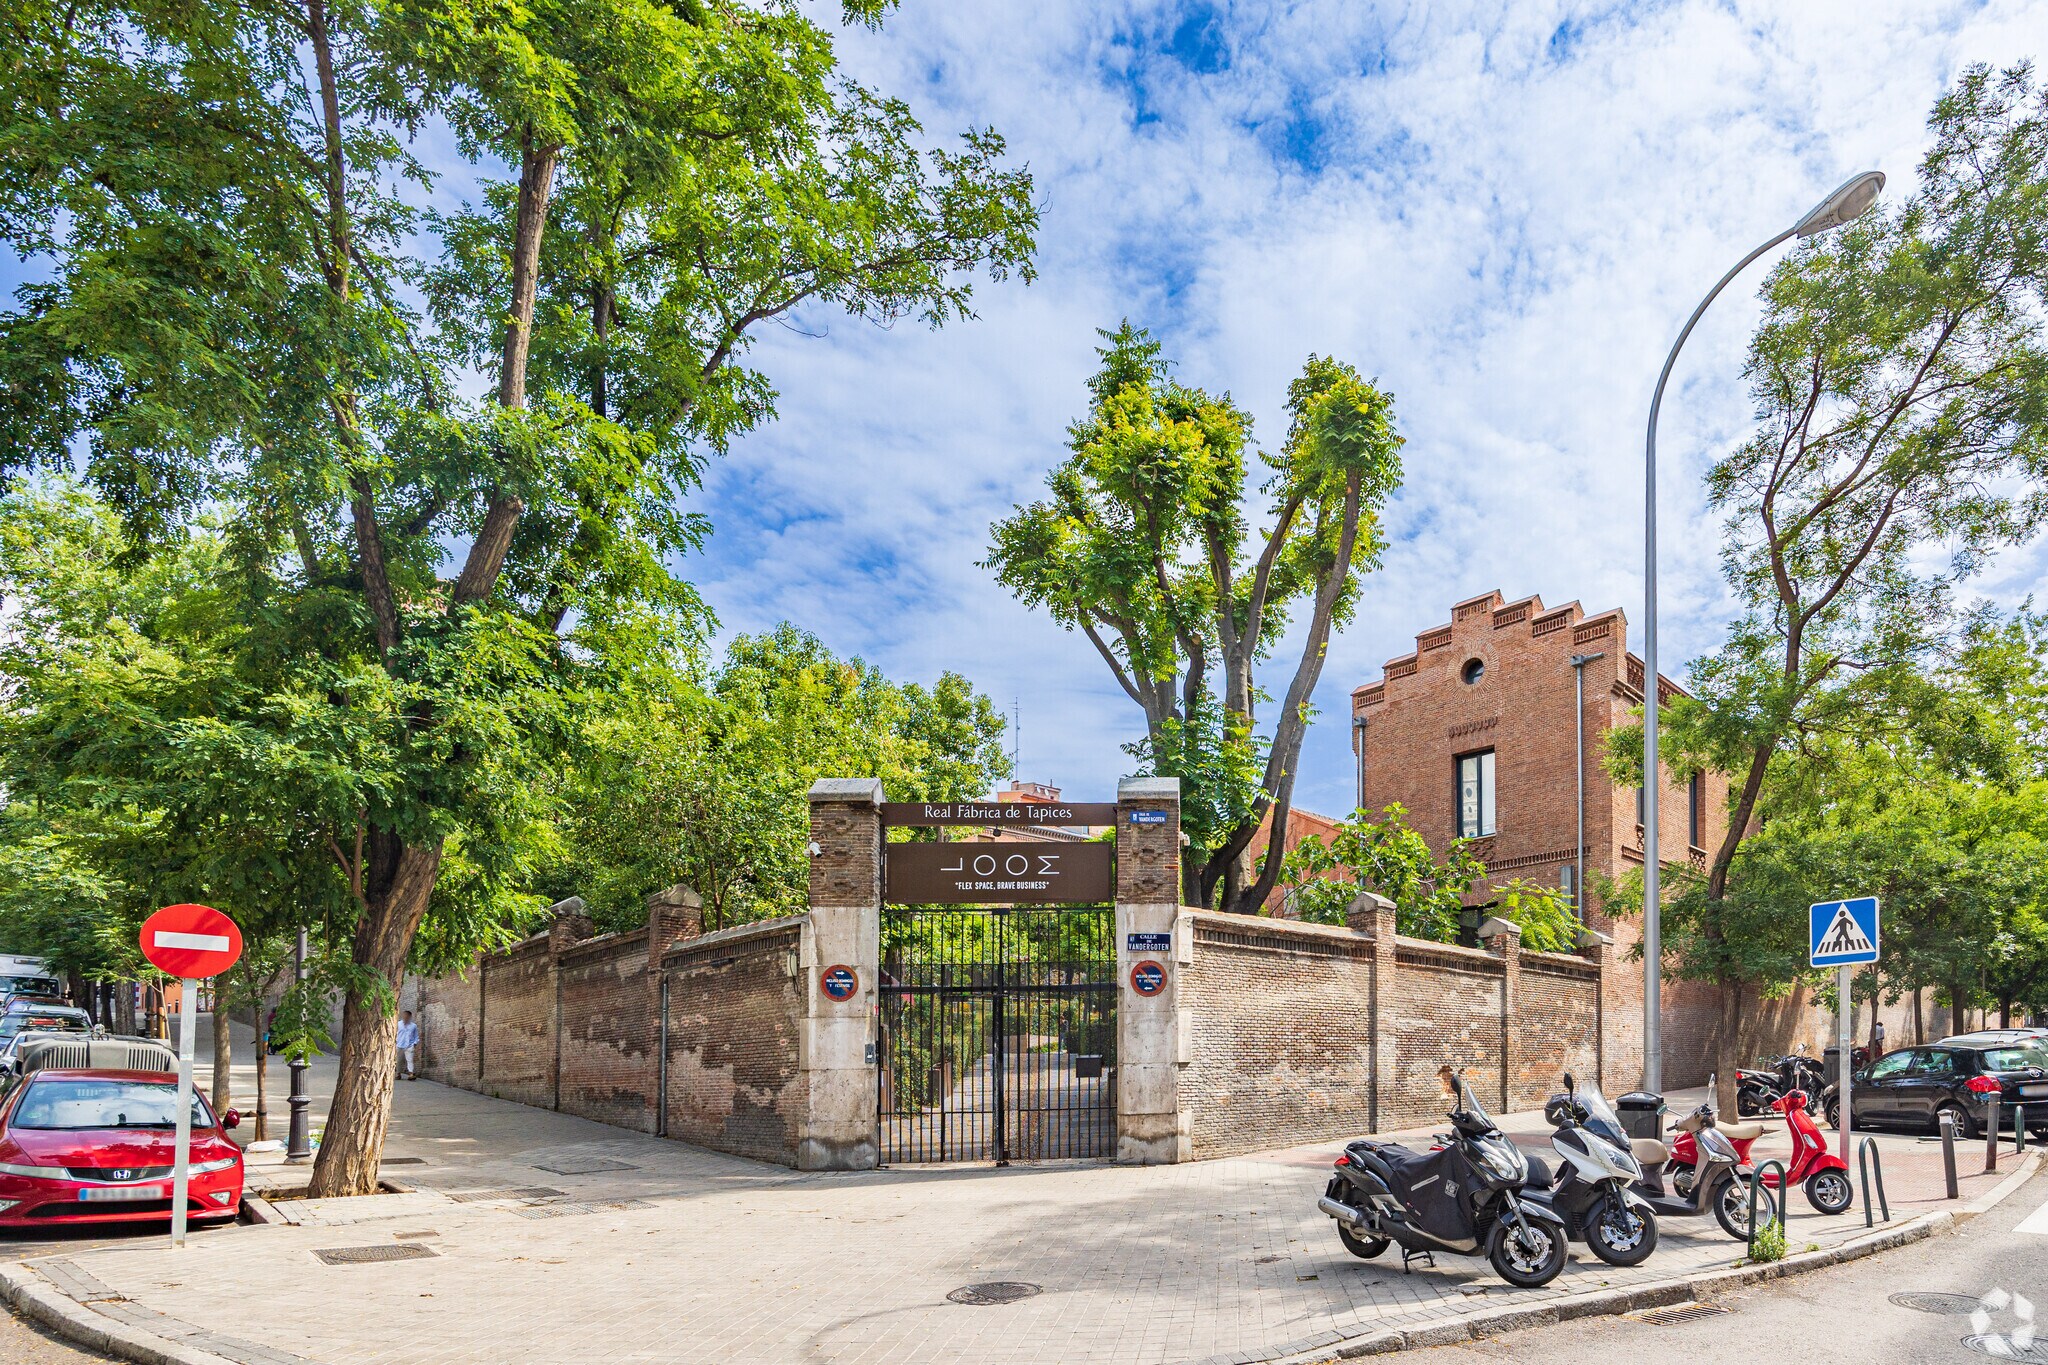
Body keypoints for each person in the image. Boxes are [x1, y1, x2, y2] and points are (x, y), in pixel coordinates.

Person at [395, 1010, 420, 1081]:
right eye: (404, 1015)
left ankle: (411, 1073)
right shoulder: (398, 1024)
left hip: (409, 1045)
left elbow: (416, 1036)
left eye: (407, 1016)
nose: (405, 1017)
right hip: (399, 1045)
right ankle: (398, 1073)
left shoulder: (413, 1026)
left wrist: (415, 1043)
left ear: (410, 1017)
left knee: (410, 1060)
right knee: (399, 1060)